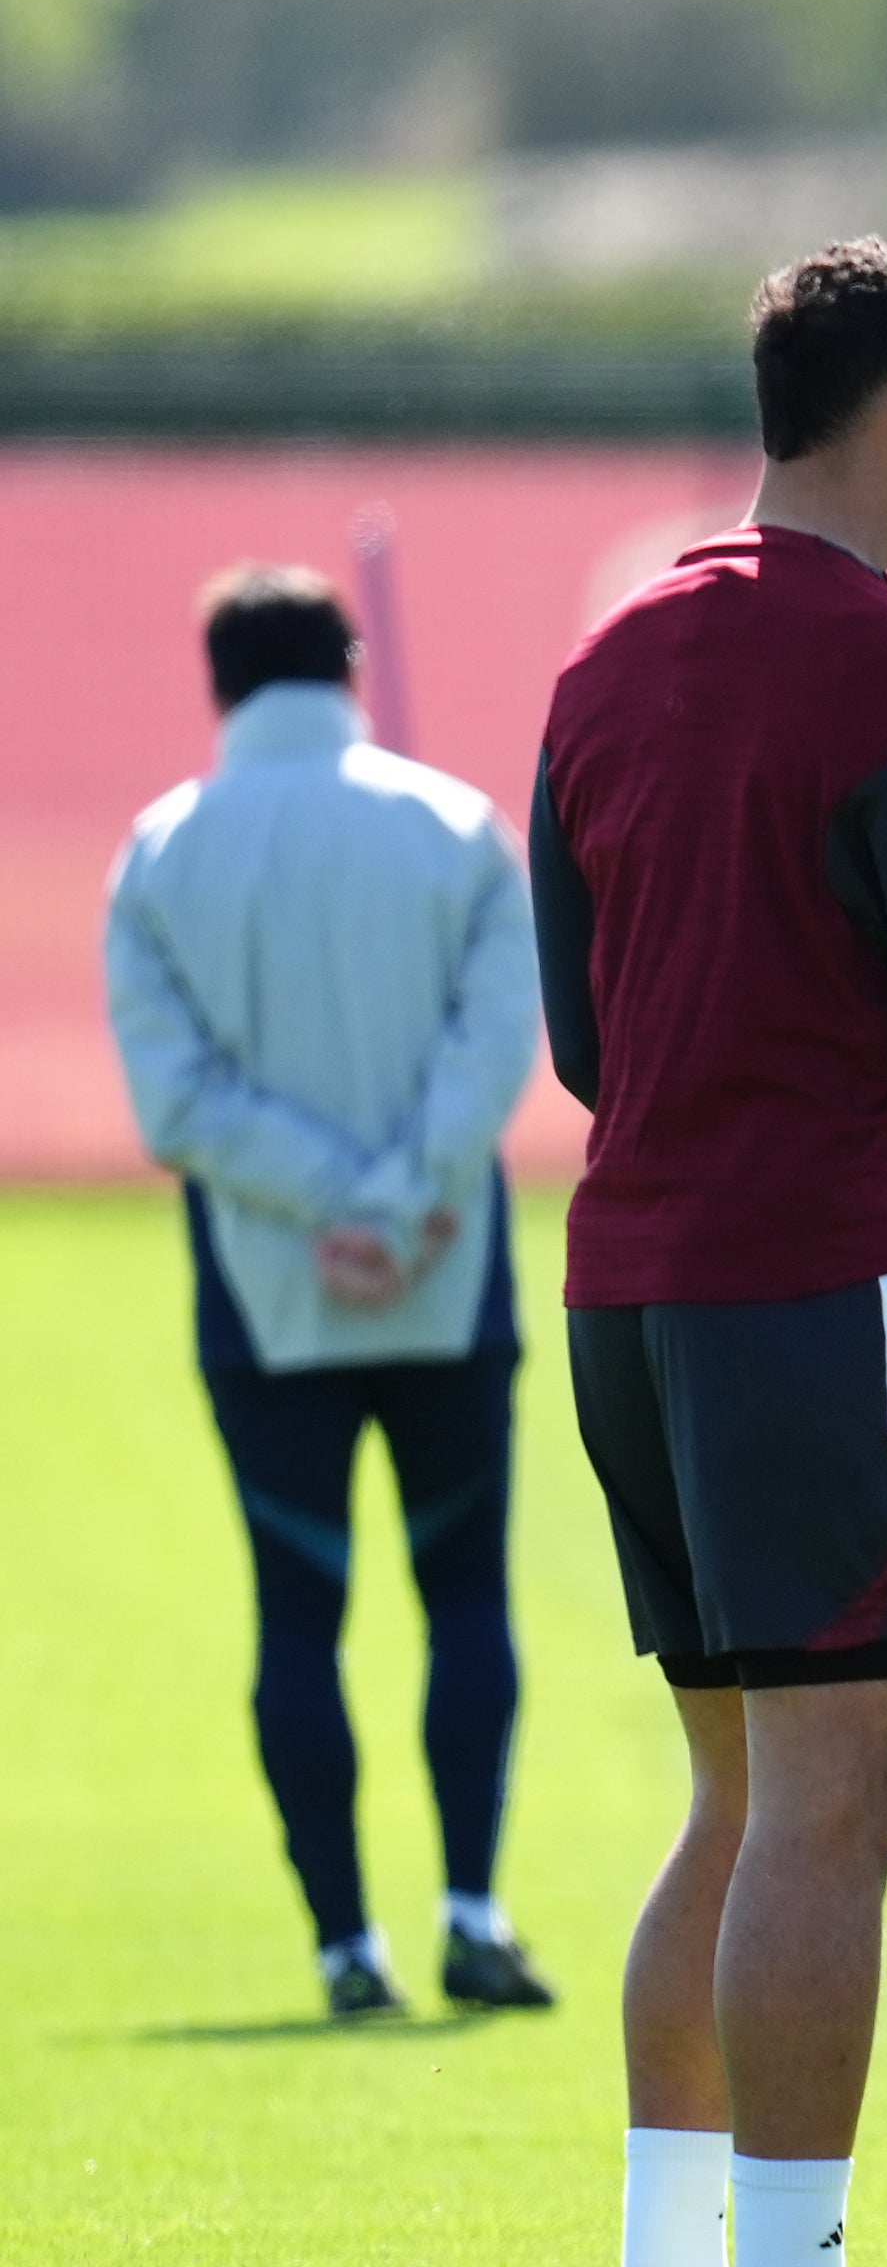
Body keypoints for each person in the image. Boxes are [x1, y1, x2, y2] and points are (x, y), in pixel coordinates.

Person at [535, 239, 887, 2267]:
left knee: (735, 1798)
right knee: (841, 1802)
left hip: (628, 1289)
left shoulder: (608, 654)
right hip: (816, 1277)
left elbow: (577, 1025)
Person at [104, 564, 548, 2021]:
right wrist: (406, 1195)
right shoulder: (452, 826)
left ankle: (345, 1948)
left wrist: (327, 1203)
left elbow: (178, 1106)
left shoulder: (161, 852)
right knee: (463, 1593)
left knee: (298, 1615)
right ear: (351, 665)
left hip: (270, 1293)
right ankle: (473, 1911)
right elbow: (499, 1042)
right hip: (443, 1278)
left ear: (218, 679)